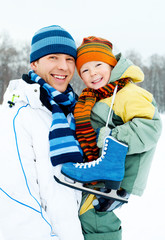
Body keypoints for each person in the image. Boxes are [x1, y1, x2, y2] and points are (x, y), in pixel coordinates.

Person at [60, 36, 162, 240]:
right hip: (100, 172)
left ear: (112, 64)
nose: (93, 73)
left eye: (98, 65)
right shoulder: (96, 96)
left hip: (116, 175)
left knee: (94, 216)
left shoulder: (127, 92)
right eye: (85, 70)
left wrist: (110, 138)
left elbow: (151, 126)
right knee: (88, 214)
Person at [0, 25, 84, 240]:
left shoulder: (74, 112)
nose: (63, 66)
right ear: (34, 63)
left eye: (69, 59)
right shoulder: (18, 114)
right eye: (53, 57)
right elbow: (16, 199)